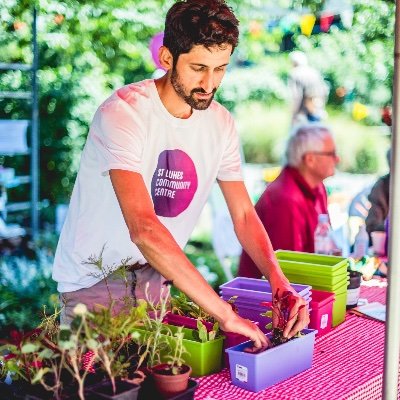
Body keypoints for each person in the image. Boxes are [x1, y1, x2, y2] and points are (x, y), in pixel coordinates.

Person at [52, 0, 308, 346]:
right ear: (167, 58)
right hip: (94, 283)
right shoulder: (124, 113)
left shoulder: (221, 124)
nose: (209, 82)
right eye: (198, 67)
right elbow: (143, 228)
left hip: (156, 277)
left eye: (220, 68)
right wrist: (225, 314)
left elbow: (245, 215)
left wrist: (279, 283)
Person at [238, 124, 339, 278]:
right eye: (331, 154)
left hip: (306, 281)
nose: (337, 159)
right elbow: (290, 271)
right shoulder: (285, 198)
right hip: (267, 293)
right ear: (310, 159)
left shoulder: (317, 187)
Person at [288, 51, 329, 125]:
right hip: (316, 110)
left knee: (299, 135)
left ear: (294, 62)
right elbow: (324, 90)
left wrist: (293, 114)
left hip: (302, 114)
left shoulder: (295, 73)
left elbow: (297, 96)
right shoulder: (314, 72)